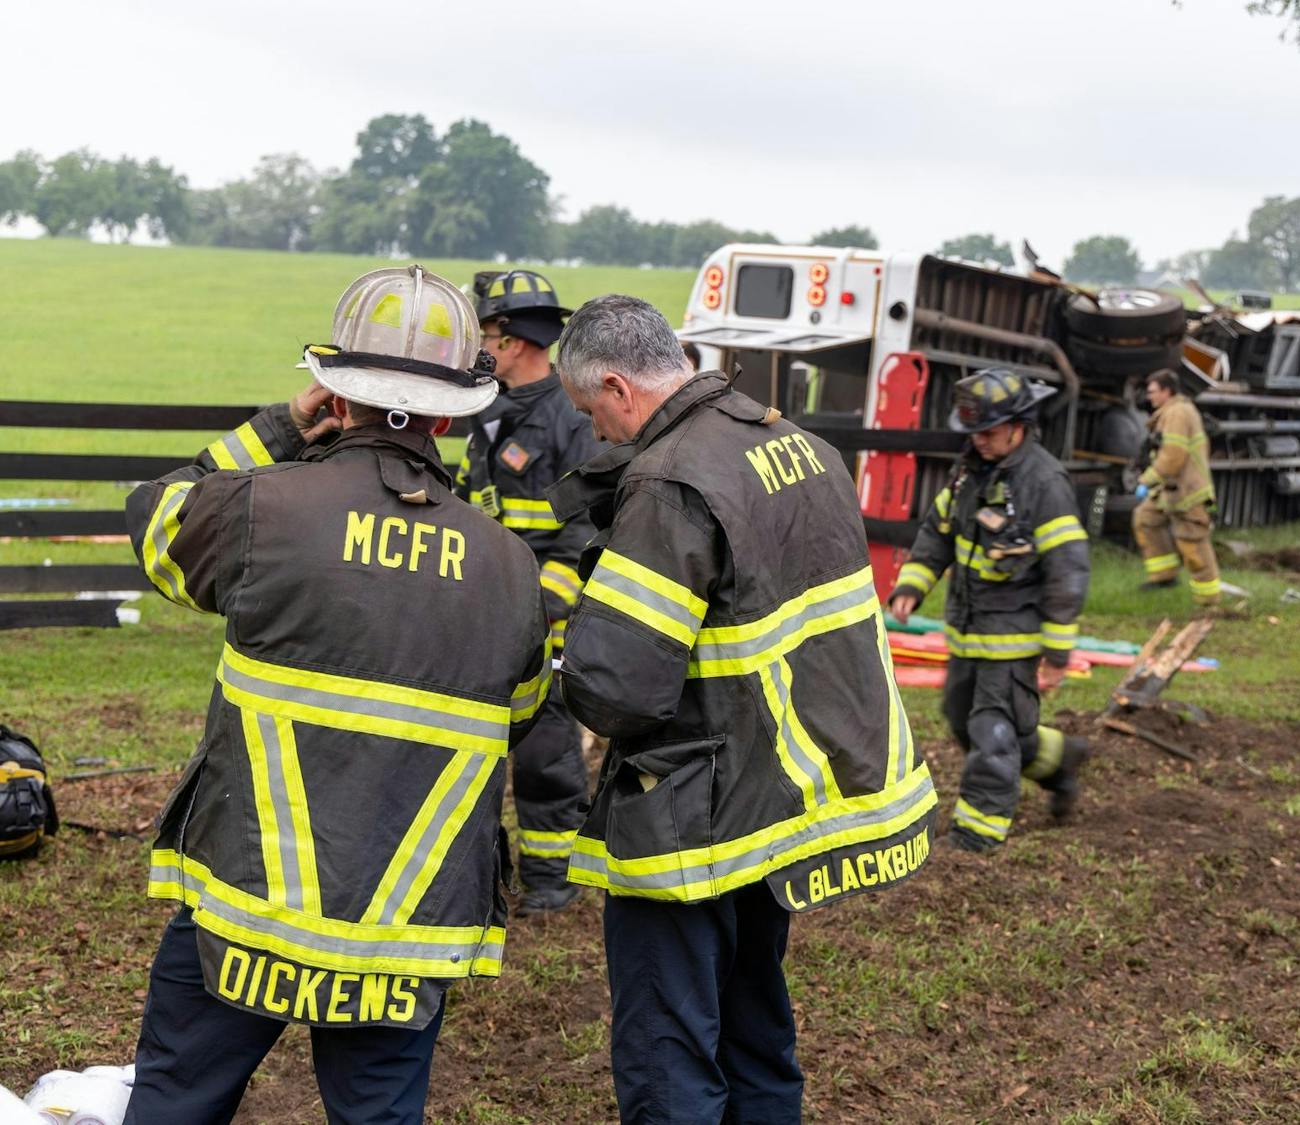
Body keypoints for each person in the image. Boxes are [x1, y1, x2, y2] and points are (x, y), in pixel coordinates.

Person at [121, 265, 550, 1125]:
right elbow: (522, 710)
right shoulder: (512, 567)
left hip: (250, 907)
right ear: (447, 412)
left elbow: (154, 518)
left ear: (335, 394)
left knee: (176, 1099)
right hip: (404, 925)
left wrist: (277, 428)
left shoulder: (262, 511)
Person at [546, 295, 938, 1124]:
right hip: (782, 798)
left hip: (693, 816)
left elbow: (619, 688)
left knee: (669, 1046)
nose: (597, 435)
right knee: (756, 1026)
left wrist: (560, 648)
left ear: (617, 386)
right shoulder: (797, 444)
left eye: (590, 413)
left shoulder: (667, 481)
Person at [888, 368, 1091, 851]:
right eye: (973, 431)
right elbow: (937, 533)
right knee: (964, 720)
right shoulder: (967, 475)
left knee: (992, 731)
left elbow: (1069, 570)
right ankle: (1061, 760)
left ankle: (976, 837)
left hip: (1014, 641)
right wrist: (912, 587)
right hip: (968, 635)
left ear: (1020, 425)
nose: (979, 440)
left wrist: (1058, 653)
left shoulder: (1045, 482)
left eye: (989, 431)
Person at [454, 269, 601, 916]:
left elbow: (587, 529)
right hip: (481, 613)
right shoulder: (481, 411)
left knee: (545, 755)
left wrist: (542, 606)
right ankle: (486, 868)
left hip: (548, 621)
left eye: (486, 334)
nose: (480, 346)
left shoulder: (571, 417)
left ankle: (550, 877)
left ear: (512, 341)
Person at [1132, 368, 1221, 606]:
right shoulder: (1170, 412)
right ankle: (1164, 576)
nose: (1149, 397)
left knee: (1192, 543)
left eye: (1152, 392)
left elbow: (1173, 456)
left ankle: (1208, 599)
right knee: (1146, 518)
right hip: (1171, 488)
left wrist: (1146, 480)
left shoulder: (1178, 413)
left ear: (1166, 391)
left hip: (1188, 491)